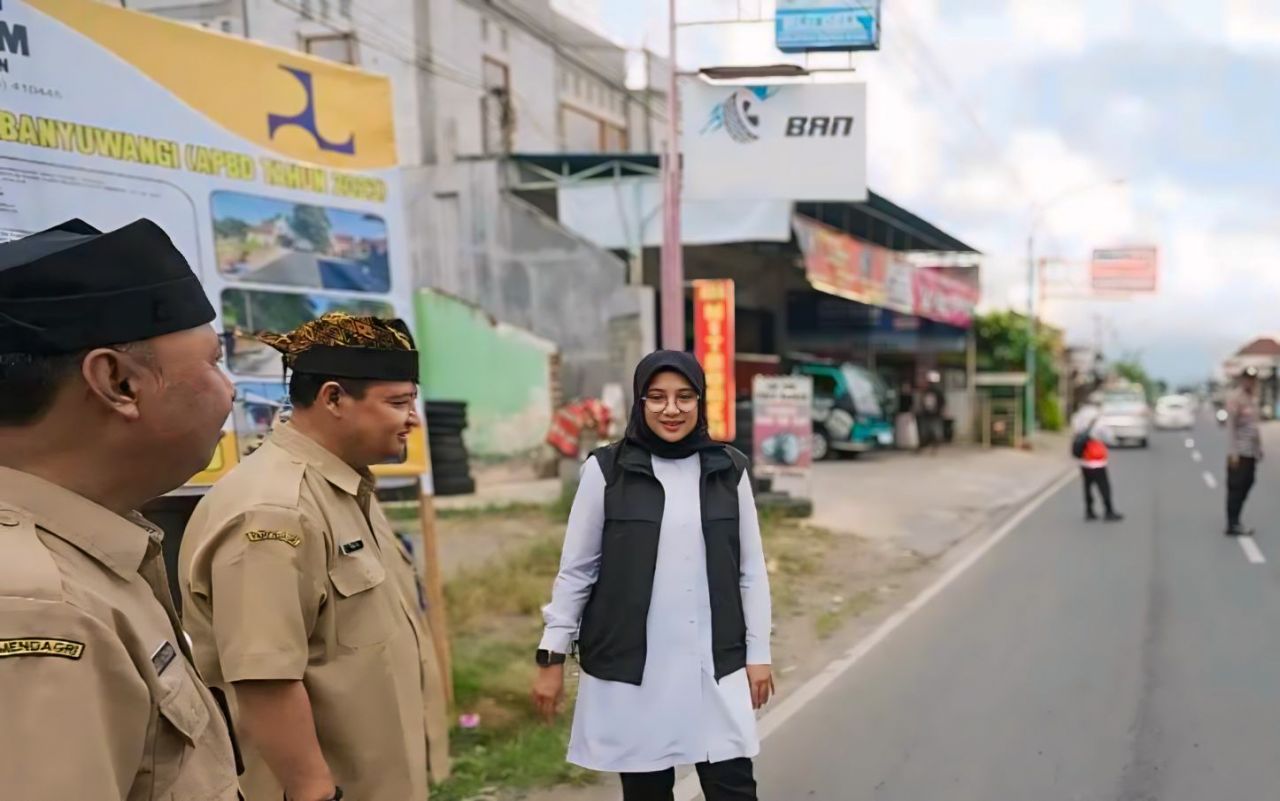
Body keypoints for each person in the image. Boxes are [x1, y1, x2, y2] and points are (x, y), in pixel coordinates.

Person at [0, 218, 240, 799]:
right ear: (118, 382)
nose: (229, 389)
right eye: (212, 361)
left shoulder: (89, 549)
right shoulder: (40, 605)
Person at [179, 312, 450, 801]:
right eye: (398, 403)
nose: (413, 418)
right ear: (333, 398)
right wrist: (313, 792)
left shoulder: (344, 486)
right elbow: (265, 677)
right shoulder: (275, 513)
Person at [532, 350, 774, 801]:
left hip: (712, 664)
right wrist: (551, 656)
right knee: (646, 792)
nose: (672, 409)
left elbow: (750, 570)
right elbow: (577, 572)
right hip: (638, 667)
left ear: (700, 402)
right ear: (640, 403)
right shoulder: (607, 471)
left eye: (685, 397)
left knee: (734, 788)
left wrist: (758, 653)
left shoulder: (729, 469)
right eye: (657, 397)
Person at [1225, 366, 1263, 536]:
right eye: (1247, 378)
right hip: (1239, 452)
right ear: (1242, 380)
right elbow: (1231, 427)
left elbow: (1255, 427)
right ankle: (1232, 523)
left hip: (1251, 452)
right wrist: (1233, 452)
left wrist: (1259, 447)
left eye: (1253, 379)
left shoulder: (1253, 399)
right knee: (1236, 487)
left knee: (1249, 482)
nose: (1250, 382)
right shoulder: (1235, 398)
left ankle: (1236, 519)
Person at [1072, 404, 1123, 522]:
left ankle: (1089, 511)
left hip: (1085, 461)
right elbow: (1108, 436)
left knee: (1087, 487)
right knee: (1104, 486)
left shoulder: (1079, 418)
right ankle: (1109, 511)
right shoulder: (1099, 421)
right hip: (1097, 461)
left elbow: (1076, 432)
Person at [917, 371, 947, 455]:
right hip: (929, 414)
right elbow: (922, 402)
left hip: (934, 415)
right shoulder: (927, 391)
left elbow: (942, 403)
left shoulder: (936, 391)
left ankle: (934, 448)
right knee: (926, 432)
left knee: (934, 432)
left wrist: (940, 411)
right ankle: (927, 447)